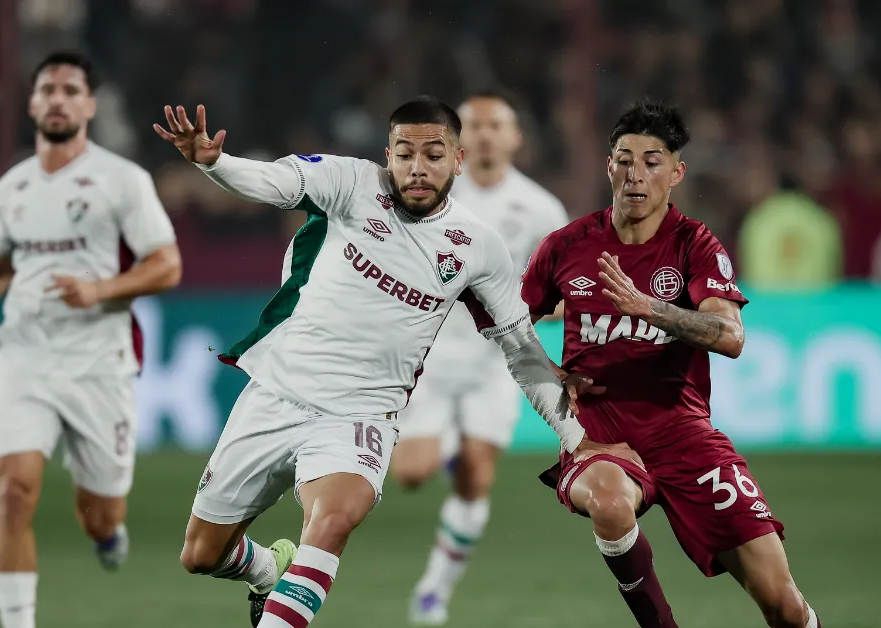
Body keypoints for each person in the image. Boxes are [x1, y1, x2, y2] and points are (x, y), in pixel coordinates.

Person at [153, 96, 613, 628]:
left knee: (331, 523)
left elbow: (522, 349)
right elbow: (275, 182)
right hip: (276, 394)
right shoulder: (351, 183)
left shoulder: (478, 248)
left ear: (456, 161)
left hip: (361, 415)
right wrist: (214, 163)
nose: (418, 168)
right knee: (201, 555)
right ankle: (267, 572)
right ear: (388, 154)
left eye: (434, 155)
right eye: (406, 153)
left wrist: (575, 436)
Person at [522, 102, 822, 628]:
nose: (636, 173)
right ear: (607, 166)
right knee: (611, 501)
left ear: (677, 172)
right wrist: (552, 373)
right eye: (624, 159)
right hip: (597, 437)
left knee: (786, 608)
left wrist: (651, 308)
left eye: (653, 161)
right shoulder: (565, 247)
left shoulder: (695, 245)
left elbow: (730, 336)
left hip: (684, 437)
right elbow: (508, 327)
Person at [0, 51, 182, 628]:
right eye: (48, 89)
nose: (57, 98)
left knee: (99, 516)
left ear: (88, 105)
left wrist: (100, 289)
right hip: (24, 355)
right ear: (32, 103)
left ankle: (108, 533)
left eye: (70, 89)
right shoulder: (12, 186)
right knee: (14, 490)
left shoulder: (122, 181)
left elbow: (167, 266)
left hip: (98, 363)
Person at [383, 89, 570, 625]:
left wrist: (522, 312)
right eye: (476, 126)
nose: (486, 134)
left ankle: (433, 591)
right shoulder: (430, 192)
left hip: (497, 362)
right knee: (413, 473)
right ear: (459, 142)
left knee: (478, 480)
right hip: (432, 357)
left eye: (497, 125)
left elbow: (560, 291)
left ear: (516, 138)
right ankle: (440, 451)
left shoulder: (540, 209)